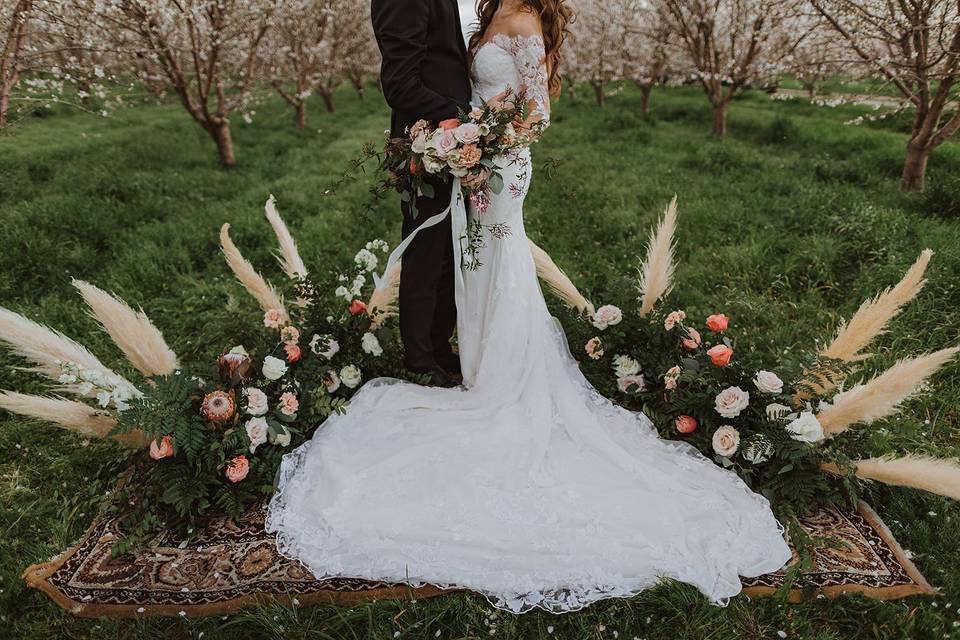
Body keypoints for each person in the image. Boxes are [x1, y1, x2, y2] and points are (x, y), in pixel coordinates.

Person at [267, 0, 793, 613]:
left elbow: (535, 109)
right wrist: (463, 134)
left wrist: (478, 137)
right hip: (462, 153)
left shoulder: (518, 21)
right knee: (472, 266)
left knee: (495, 264)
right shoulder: (490, 13)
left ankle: (497, 376)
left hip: (493, 162)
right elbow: (423, 76)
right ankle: (467, 362)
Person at [371, 0, 473, 387]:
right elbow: (399, 82)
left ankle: (437, 345)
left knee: (448, 249)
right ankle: (419, 358)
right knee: (426, 251)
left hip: (449, 139)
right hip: (428, 142)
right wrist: (458, 114)